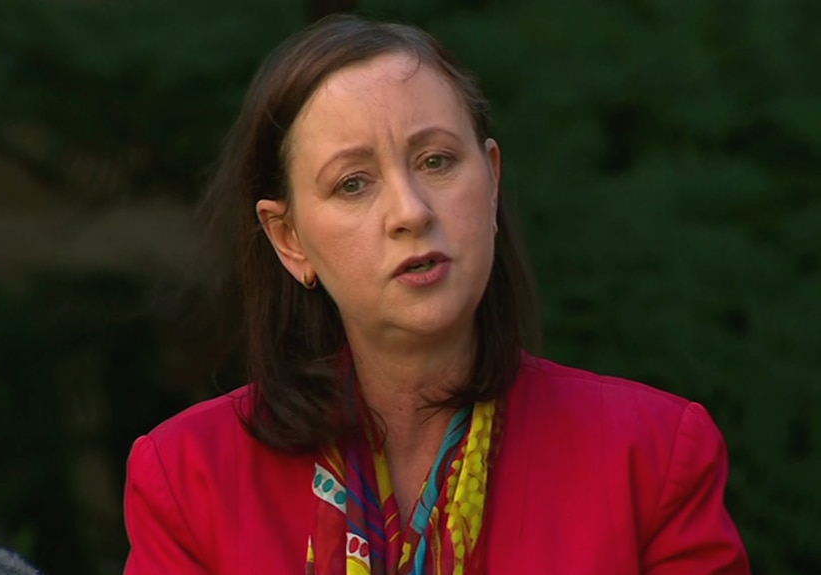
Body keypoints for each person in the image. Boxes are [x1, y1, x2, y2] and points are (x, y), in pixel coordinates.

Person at [122, 14, 751, 575]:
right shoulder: (190, 478)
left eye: (437, 162)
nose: (410, 211)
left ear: (493, 180)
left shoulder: (650, 456)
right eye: (353, 183)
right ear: (289, 240)